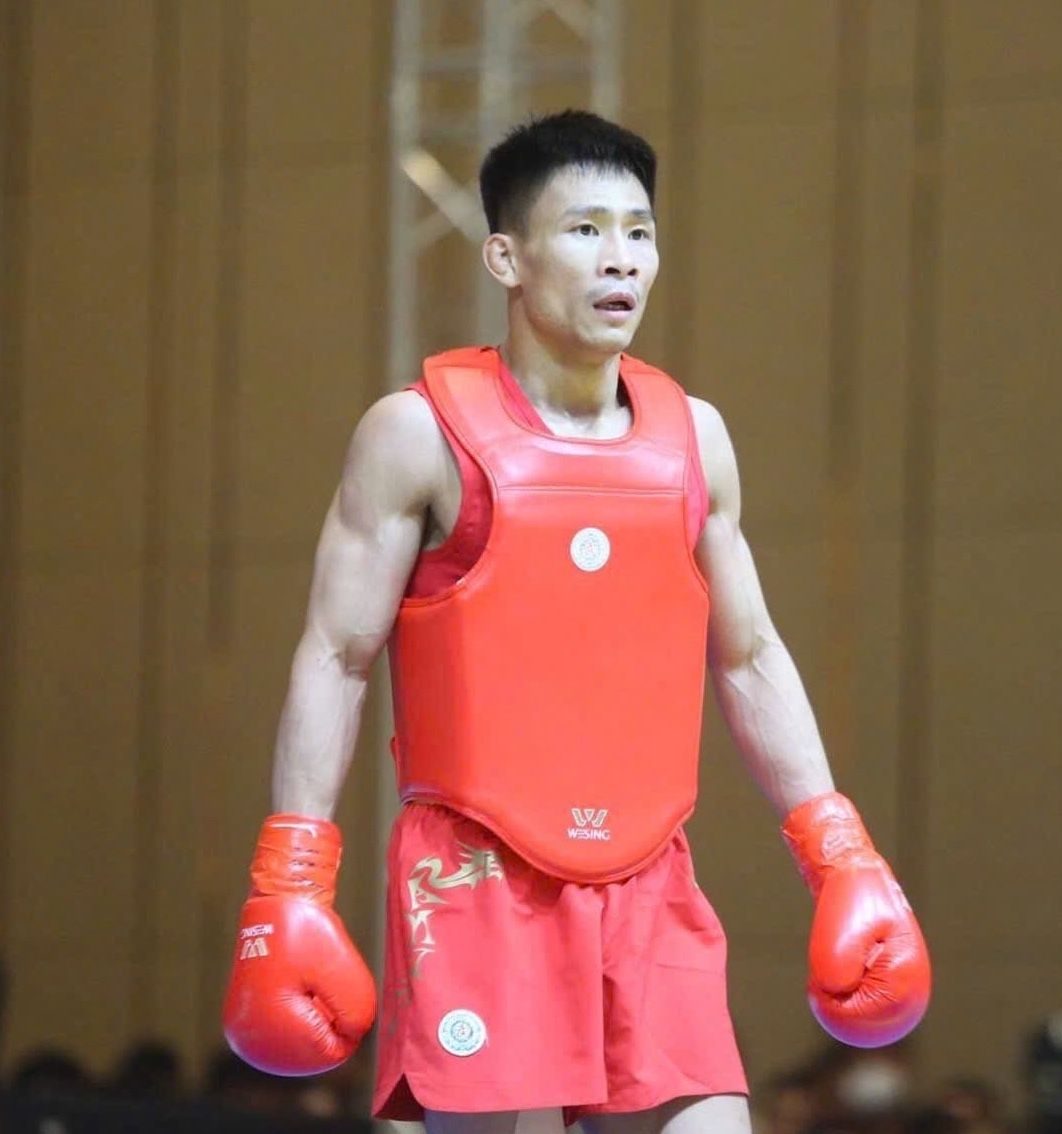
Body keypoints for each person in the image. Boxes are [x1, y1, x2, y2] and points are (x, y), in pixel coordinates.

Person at [221, 110, 931, 1134]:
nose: (621, 259)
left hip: (650, 877)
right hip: (477, 879)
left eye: (639, 232)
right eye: (586, 229)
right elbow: (336, 655)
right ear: (506, 257)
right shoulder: (419, 434)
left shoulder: (695, 439)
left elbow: (749, 656)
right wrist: (290, 880)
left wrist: (842, 856)